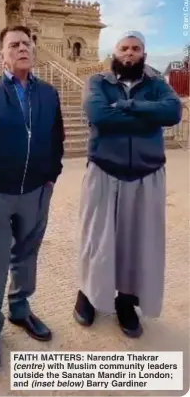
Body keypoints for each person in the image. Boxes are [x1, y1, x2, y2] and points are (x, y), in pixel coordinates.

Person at [0, 25, 65, 372]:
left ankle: (20, 309)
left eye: (27, 43)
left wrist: (51, 178)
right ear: (1, 54)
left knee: (27, 255)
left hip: (36, 191)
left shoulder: (48, 94)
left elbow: (57, 137)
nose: (22, 48)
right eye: (14, 45)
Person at [74, 30, 182, 338]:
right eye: (124, 48)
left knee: (138, 242)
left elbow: (173, 111)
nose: (130, 53)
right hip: (104, 170)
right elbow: (98, 115)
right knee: (97, 238)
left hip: (146, 174)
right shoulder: (98, 82)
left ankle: (126, 301)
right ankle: (88, 295)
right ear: (115, 52)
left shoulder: (157, 84)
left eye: (136, 48)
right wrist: (150, 117)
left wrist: (128, 107)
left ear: (143, 53)